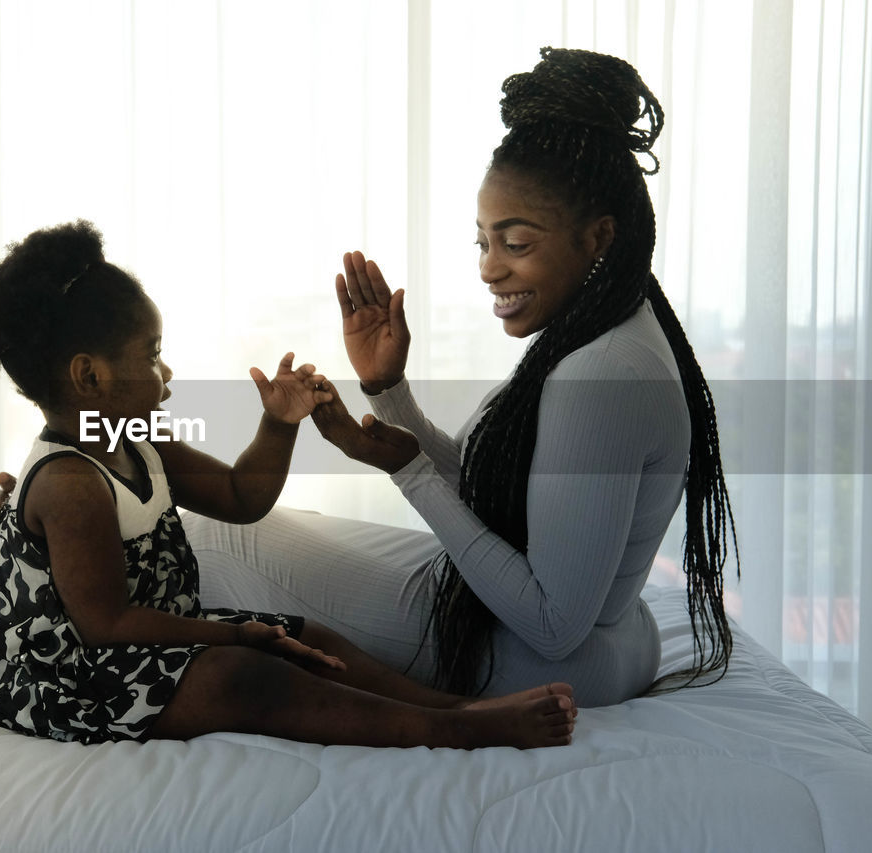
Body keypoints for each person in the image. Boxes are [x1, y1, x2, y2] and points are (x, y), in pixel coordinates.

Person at [0, 219, 576, 748]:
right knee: (243, 675)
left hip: (132, 636)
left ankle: (451, 707)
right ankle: (453, 732)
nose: (166, 373)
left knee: (308, 636)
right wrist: (237, 636)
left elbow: (240, 498)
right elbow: (107, 624)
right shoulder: (70, 483)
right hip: (55, 674)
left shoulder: (136, 443)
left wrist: (278, 425)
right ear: (90, 377)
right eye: (150, 355)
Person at [297, 46, 737, 705]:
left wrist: (410, 473)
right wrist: (390, 394)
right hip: (597, 643)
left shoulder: (604, 376)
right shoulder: (604, 329)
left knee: (222, 544)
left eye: (517, 243)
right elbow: (490, 492)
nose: (488, 269)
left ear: (598, 239)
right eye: (483, 241)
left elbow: (553, 624)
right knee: (286, 530)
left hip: (536, 661)